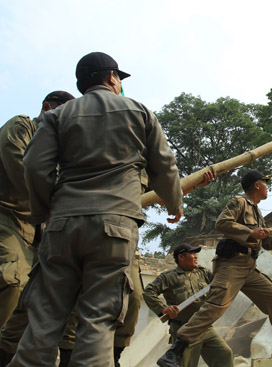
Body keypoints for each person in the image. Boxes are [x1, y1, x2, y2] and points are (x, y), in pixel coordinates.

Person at [7, 51, 184, 367]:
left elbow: (34, 166)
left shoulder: (58, 116)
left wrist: (45, 211)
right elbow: (165, 167)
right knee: (98, 321)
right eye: (119, 79)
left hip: (62, 226)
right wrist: (175, 203)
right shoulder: (140, 112)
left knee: (44, 319)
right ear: (112, 77)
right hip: (114, 230)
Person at [157, 170, 272, 367]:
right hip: (231, 265)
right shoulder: (239, 202)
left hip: (249, 268)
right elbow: (222, 223)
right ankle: (175, 351)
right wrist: (249, 231)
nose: (267, 187)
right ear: (257, 185)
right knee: (215, 307)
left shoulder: (257, 212)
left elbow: (267, 243)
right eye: (265, 183)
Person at [0, 90, 74, 331]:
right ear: (46, 108)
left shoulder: (58, 152)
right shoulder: (22, 126)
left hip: (32, 230)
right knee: (12, 281)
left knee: (31, 301)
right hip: (5, 215)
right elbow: (20, 169)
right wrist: (53, 204)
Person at [143, 243, 233, 367]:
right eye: (192, 253)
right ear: (181, 257)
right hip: (183, 330)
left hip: (204, 327)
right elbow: (148, 292)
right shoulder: (169, 277)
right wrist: (163, 309)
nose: (196, 257)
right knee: (187, 364)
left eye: (196, 254)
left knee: (224, 355)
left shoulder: (203, 273)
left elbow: (219, 283)